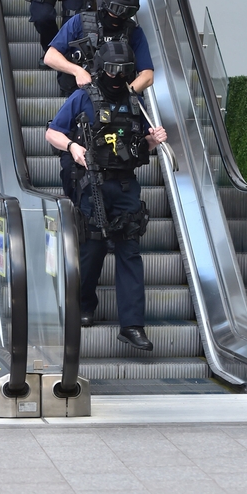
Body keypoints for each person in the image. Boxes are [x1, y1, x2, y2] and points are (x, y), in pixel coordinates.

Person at [46, 40, 168, 351]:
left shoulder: (135, 103)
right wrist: (73, 147)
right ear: (102, 69)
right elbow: (52, 132)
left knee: (130, 252)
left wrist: (152, 141)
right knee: (93, 248)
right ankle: (84, 304)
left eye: (123, 71)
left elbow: (138, 147)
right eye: (112, 70)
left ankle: (132, 325)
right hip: (92, 184)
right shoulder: (82, 97)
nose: (117, 76)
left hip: (126, 185)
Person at [44, 0, 155, 96]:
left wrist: (126, 96)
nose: (121, 16)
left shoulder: (134, 31)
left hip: (118, 97)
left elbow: (147, 75)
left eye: (129, 12)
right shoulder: (79, 22)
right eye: (116, 10)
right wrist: (77, 71)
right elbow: (50, 57)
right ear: (105, 4)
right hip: (80, 93)